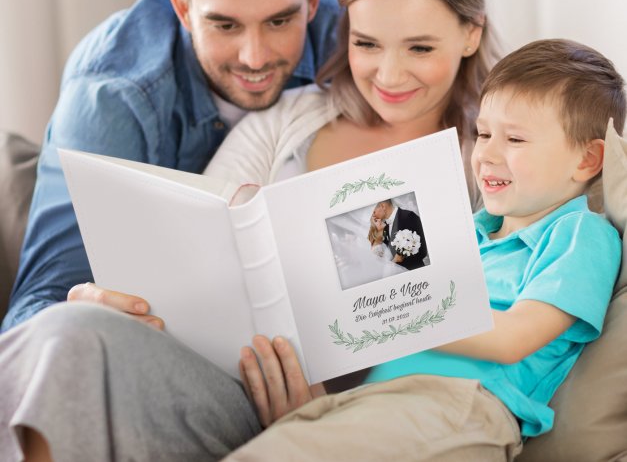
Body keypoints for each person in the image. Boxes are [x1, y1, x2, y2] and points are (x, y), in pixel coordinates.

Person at [0, 0, 500, 461]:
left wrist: (320, 414)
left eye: (420, 49)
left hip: (352, 416)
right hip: (213, 380)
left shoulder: (489, 160)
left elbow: (468, 333)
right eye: (367, 44)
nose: (389, 74)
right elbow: (193, 236)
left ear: (470, 32)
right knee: (70, 332)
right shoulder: (292, 117)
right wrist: (112, 300)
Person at [222, 39, 624, 461]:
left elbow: (513, 339)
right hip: (374, 400)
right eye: (484, 133)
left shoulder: (581, 233)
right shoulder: (464, 229)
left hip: (460, 406)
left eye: (516, 139)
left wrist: (393, 305)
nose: (486, 153)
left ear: (586, 160)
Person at [1, 0, 340, 332]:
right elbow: (30, 314)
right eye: (224, 25)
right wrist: (79, 318)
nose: (254, 57)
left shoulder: (355, 36)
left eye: (279, 21)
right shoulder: (112, 98)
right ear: (182, 7)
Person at [373, 198, 429, 269]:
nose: (373, 216)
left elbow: (423, 251)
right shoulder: (384, 228)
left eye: (374, 212)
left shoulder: (409, 216)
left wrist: (403, 255)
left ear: (383, 206)